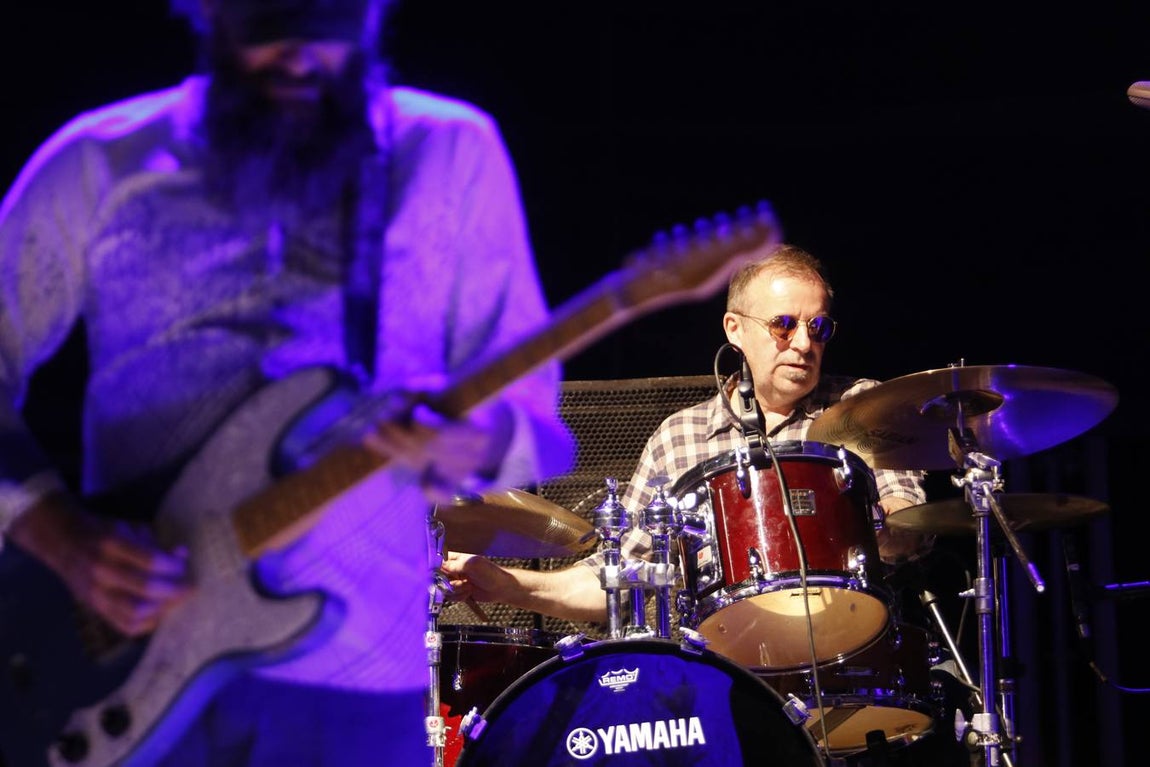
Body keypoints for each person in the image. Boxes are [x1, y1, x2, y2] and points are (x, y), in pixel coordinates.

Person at [0, 1, 573, 765]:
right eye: (266, 26)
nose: (299, 57)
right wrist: (61, 537)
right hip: (119, 672)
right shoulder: (102, 161)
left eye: (327, 26)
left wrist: (476, 439)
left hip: (360, 678)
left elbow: (535, 419)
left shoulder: (446, 154)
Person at [443, 244, 932, 626]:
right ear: (734, 328)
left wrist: (880, 524)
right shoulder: (679, 437)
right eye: (783, 325)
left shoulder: (863, 408)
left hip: (851, 650)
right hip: (725, 667)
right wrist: (507, 584)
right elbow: (617, 578)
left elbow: (913, 528)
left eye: (818, 327)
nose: (803, 343)